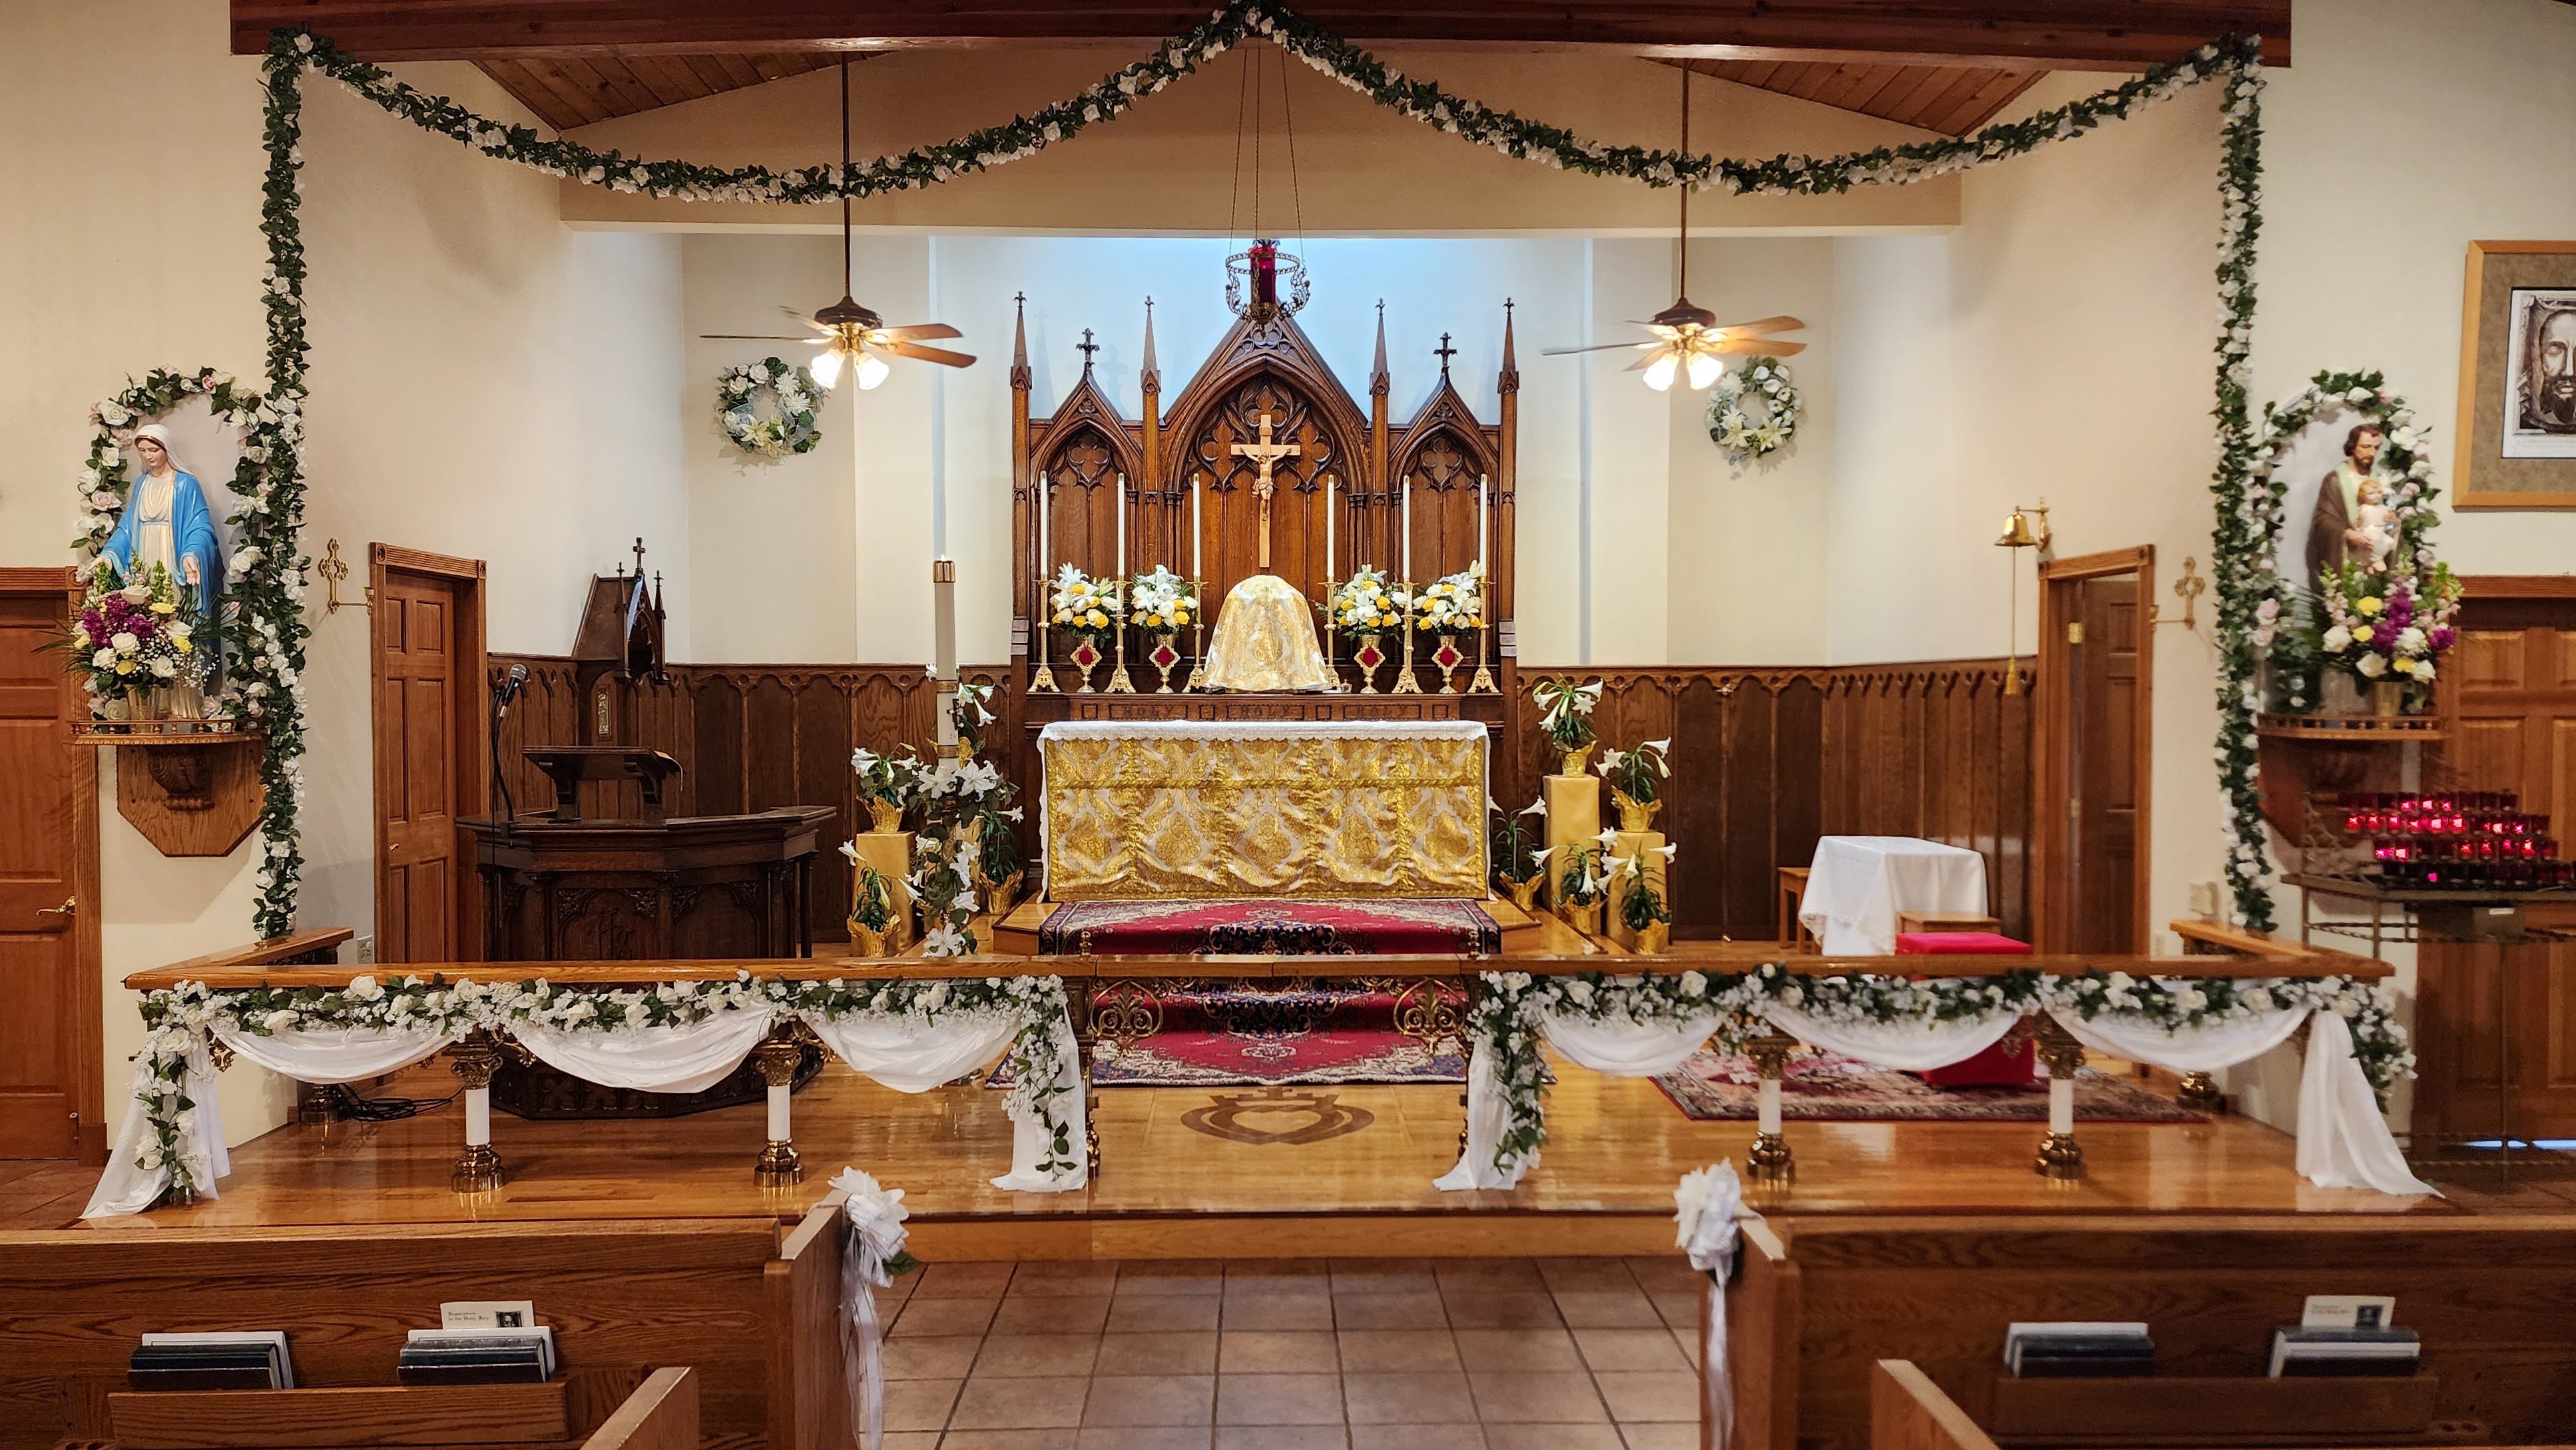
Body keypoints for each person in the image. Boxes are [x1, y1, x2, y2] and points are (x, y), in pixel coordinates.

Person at [97, 422, 222, 706]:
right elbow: (127, 529)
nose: (149, 456)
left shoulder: (185, 483)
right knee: (148, 625)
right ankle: (151, 705)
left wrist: (191, 554)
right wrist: (108, 555)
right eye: (143, 451)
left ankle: (183, 704)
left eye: (154, 450)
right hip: (146, 563)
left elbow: (200, 526)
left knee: (176, 626)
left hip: (173, 562)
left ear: (167, 449)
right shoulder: (142, 484)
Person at [2305, 423, 2386, 593]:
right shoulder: (2335, 480)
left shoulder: (2379, 480)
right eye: (2366, 446)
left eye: (2376, 448)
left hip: (2374, 555)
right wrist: (2348, 533)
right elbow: (2323, 518)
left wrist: (2391, 521)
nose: (2372, 453)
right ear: (2352, 447)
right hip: (2347, 558)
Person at [2352, 475, 2396, 575]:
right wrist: (2358, 529)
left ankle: (2373, 563)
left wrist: (2391, 524)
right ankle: (2376, 561)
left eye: (2379, 492)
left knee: (2389, 542)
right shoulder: (2364, 509)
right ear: (2363, 496)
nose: (2376, 495)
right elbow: (2358, 524)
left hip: (2382, 531)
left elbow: (2389, 524)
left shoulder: (2384, 509)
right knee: (2375, 538)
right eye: (2371, 493)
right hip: (2369, 531)